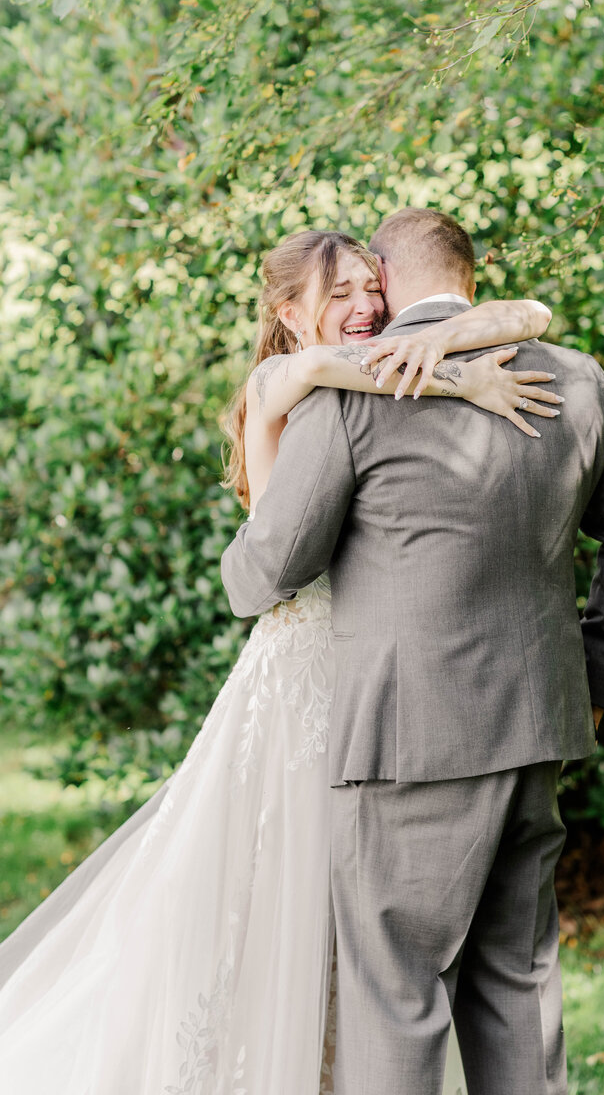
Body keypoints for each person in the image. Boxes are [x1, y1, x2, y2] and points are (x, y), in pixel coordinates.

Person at [0, 228, 560, 1094]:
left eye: (371, 288)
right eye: (339, 294)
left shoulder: (374, 362)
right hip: (306, 673)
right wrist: (465, 373)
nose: (365, 307)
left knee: (363, 928)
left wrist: (440, 338)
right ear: (289, 313)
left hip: (375, 680)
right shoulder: (288, 378)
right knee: (287, 906)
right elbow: (270, 566)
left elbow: (533, 311)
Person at [221, 207, 604, 1095]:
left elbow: (266, 571)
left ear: (387, 280)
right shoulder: (578, 381)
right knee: (517, 978)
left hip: (408, 740)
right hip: (540, 719)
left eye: (367, 285)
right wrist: (597, 681)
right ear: (473, 270)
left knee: (396, 993)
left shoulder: (358, 392)